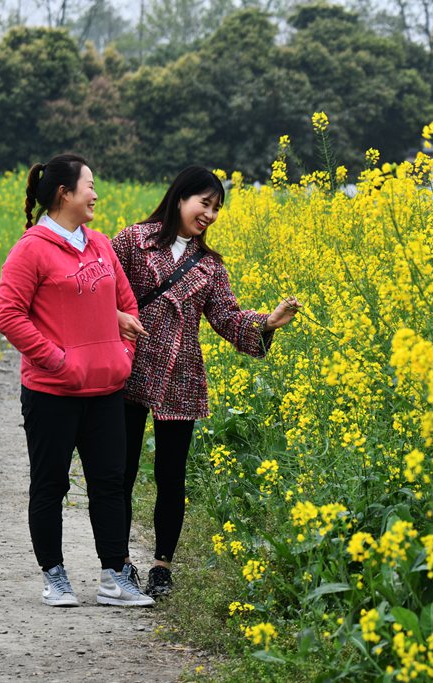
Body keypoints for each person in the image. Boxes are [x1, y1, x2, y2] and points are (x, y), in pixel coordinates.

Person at [111, 165, 300, 598]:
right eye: (204, 203)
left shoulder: (209, 266)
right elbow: (104, 292)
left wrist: (267, 322)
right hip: (128, 367)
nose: (210, 214)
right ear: (180, 198)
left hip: (181, 375)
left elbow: (227, 318)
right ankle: (119, 561)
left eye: (217, 208)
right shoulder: (132, 241)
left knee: (171, 474)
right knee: (119, 471)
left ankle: (161, 565)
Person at [0, 153, 154, 608]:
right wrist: (58, 361)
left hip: (106, 388)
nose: (96, 194)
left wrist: (121, 354)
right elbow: (8, 315)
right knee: (50, 484)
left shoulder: (101, 245)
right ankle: (55, 576)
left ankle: (113, 578)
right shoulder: (32, 248)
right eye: (89, 185)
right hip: (51, 392)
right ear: (64, 193)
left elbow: (126, 306)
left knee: (110, 482)